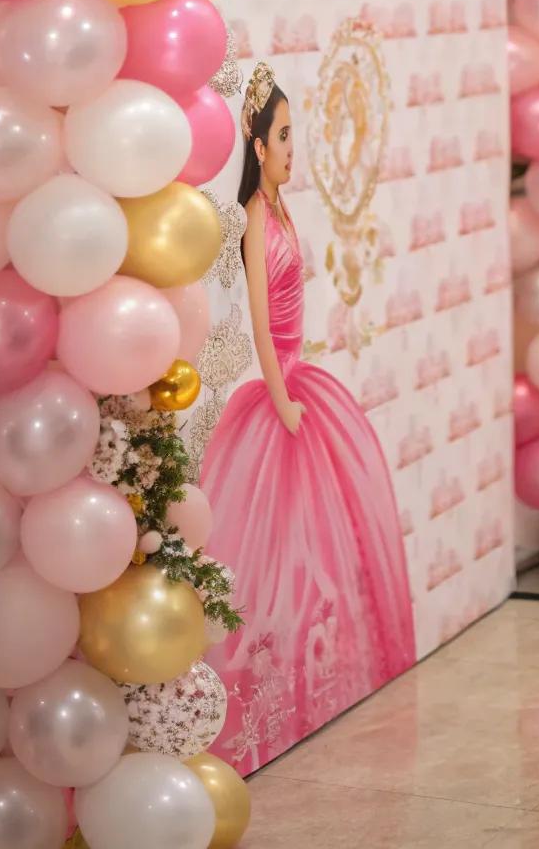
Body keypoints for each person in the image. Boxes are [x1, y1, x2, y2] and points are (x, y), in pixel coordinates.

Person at [200, 62, 416, 773]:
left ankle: (325, 675)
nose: (295, 148)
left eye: (295, 134)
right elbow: (261, 326)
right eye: (284, 135)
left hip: (303, 384)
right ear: (256, 146)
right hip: (282, 392)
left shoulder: (284, 208)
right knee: (277, 551)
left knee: (328, 544)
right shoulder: (258, 218)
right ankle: (272, 688)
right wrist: (282, 397)